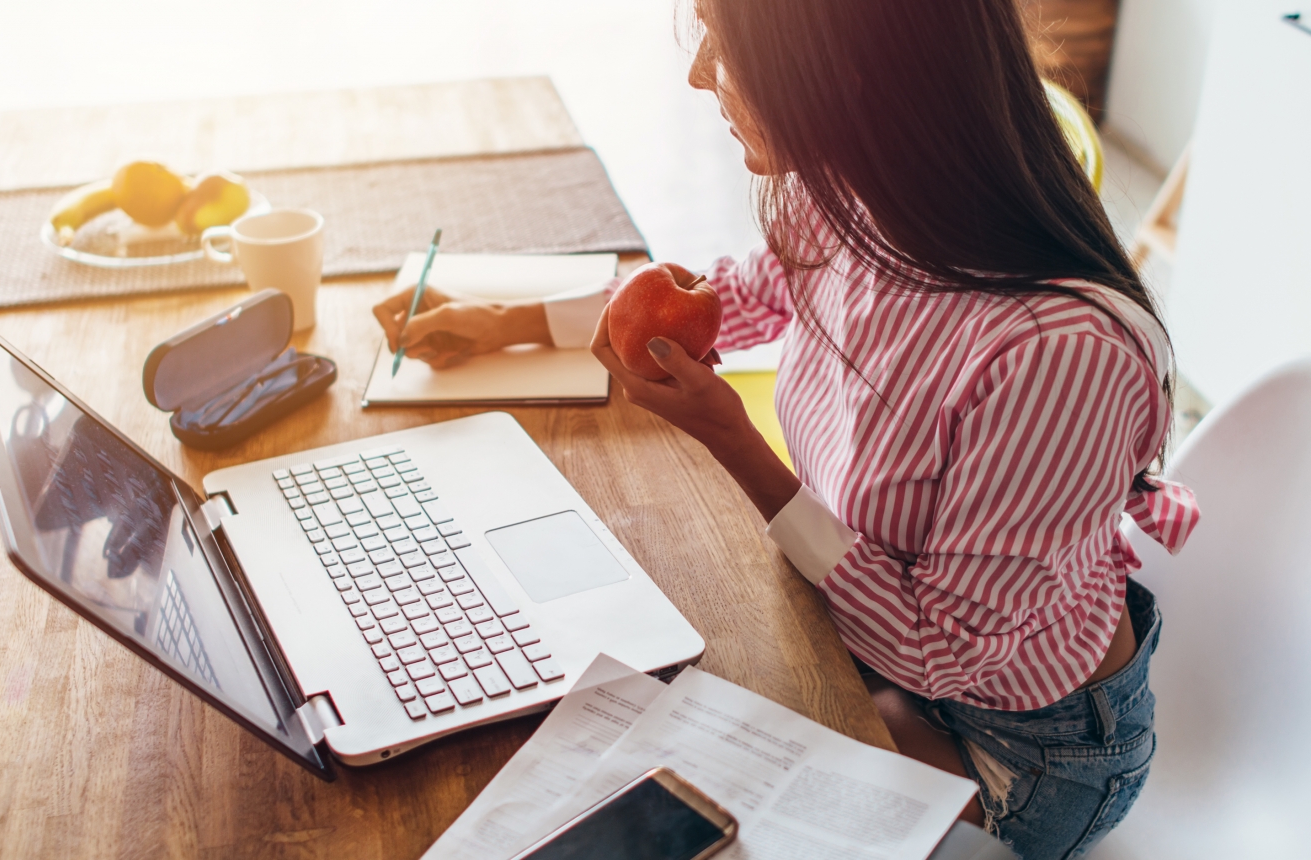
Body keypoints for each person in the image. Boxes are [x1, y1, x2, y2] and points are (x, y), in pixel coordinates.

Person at [372, 1, 1198, 856]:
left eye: (723, 44)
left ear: (843, 72)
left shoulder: (1059, 356)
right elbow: (734, 294)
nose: (698, 74)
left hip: (1016, 749)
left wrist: (736, 443)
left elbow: (942, 654)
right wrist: (508, 317)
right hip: (871, 652)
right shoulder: (853, 193)